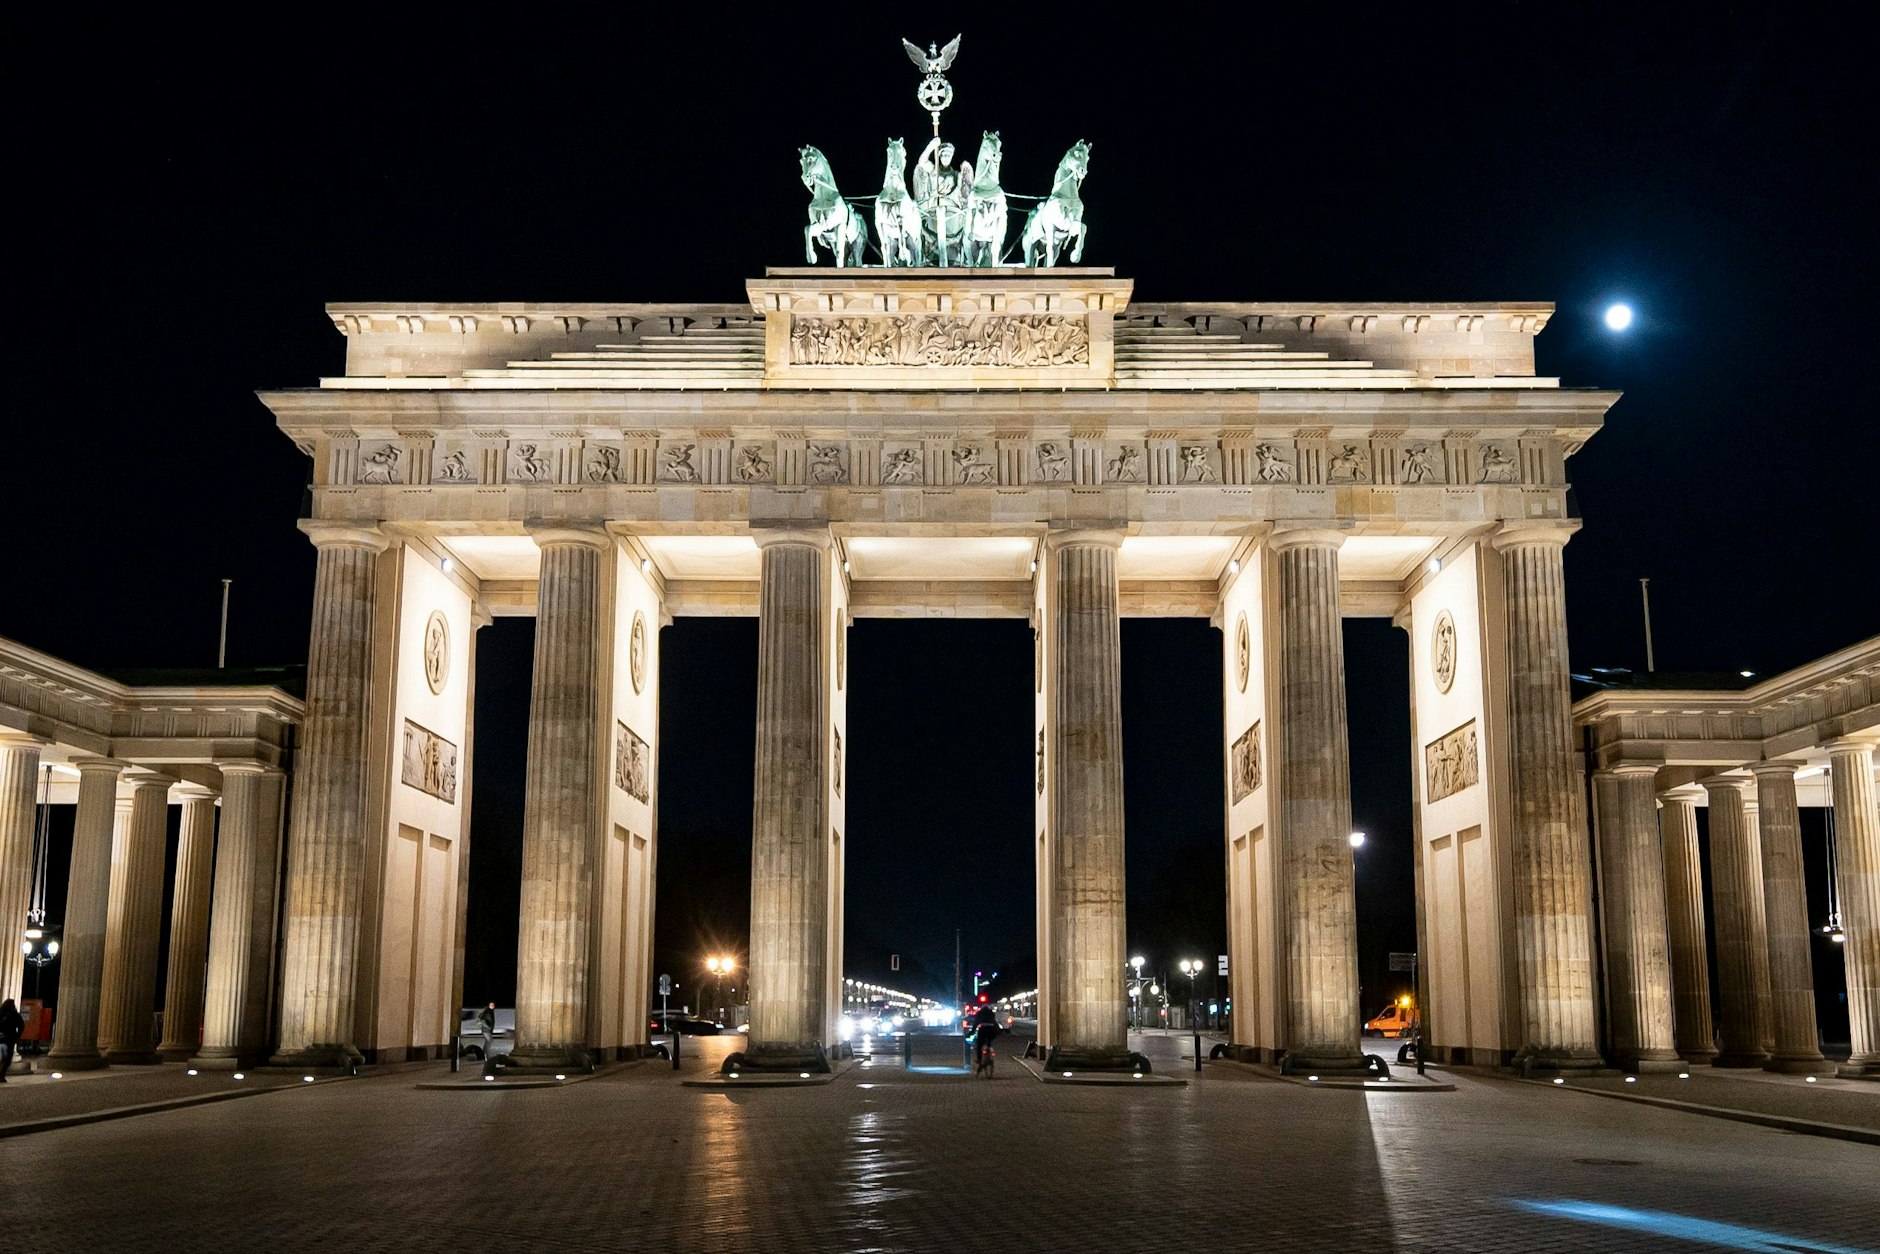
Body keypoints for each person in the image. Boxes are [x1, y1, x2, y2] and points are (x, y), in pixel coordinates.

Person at [969, 1003, 1000, 1075]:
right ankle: (989, 1049)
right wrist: (997, 1032)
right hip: (992, 1030)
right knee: (989, 1041)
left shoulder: (979, 1013)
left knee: (979, 1045)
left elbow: (976, 1023)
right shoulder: (991, 1013)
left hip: (983, 1030)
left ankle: (979, 1060)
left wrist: (971, 1033)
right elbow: (995, 1023)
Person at [0, 998, 23, 1082]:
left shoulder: (1, 1013)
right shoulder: (15, 1014)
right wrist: (18, 1036)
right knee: (7, 1058)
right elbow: (21, 1026)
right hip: (9, 1039)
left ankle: (1, 1075)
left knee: (3, 1057)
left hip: (2, 1039)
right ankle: (1, 1075)